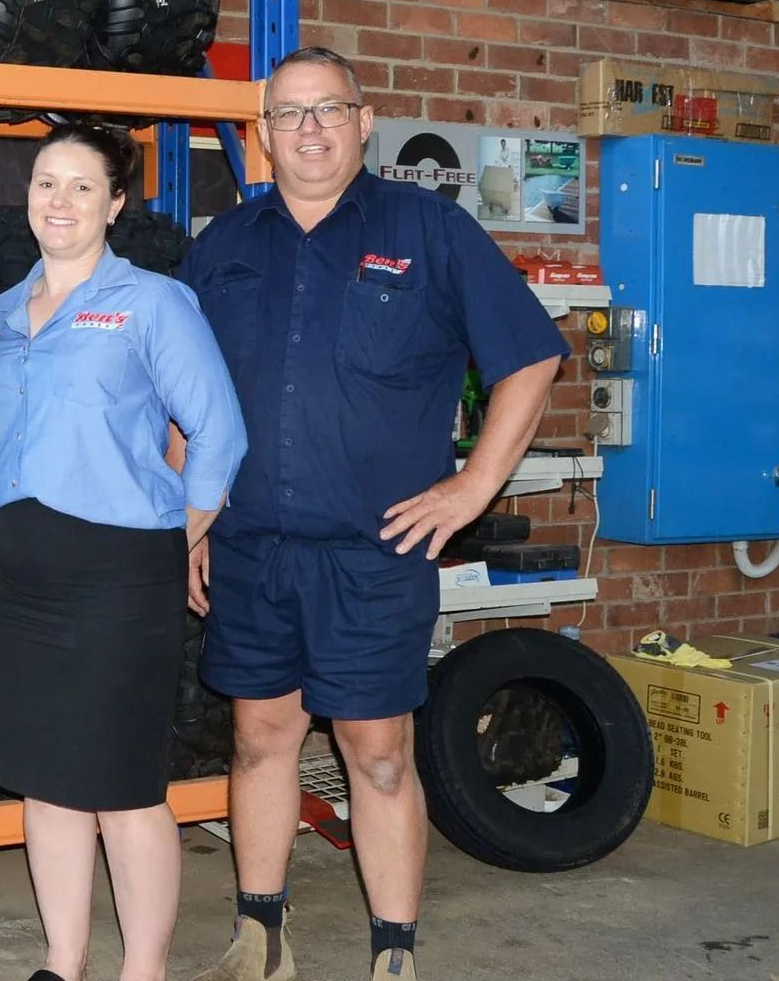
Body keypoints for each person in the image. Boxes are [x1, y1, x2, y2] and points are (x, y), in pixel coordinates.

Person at [178, 48, 567, 981]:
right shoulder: (222, 247)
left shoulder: (430, 230)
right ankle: (258, 937)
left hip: (374, 550)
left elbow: (531, 358)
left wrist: (474, 487)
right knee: (259, 738)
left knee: (379, 754)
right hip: (249, 545)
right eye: (287, 114)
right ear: (262, 135)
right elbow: (182, 396)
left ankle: (394, 954)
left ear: (364, 124)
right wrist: (187, 522)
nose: (307, 129)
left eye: (327, 111)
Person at [0, 126, 247, 981]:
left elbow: (221, 432)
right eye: (45, 182)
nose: (59, 201)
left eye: (81, 186)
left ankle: (144, 970)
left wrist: (181, 535)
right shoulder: (0, 317)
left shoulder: (150, 303)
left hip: (120, 574)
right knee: (48, 783)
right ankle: (64, 961)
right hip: (18, 570)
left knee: (125, 789)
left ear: (116, 204)